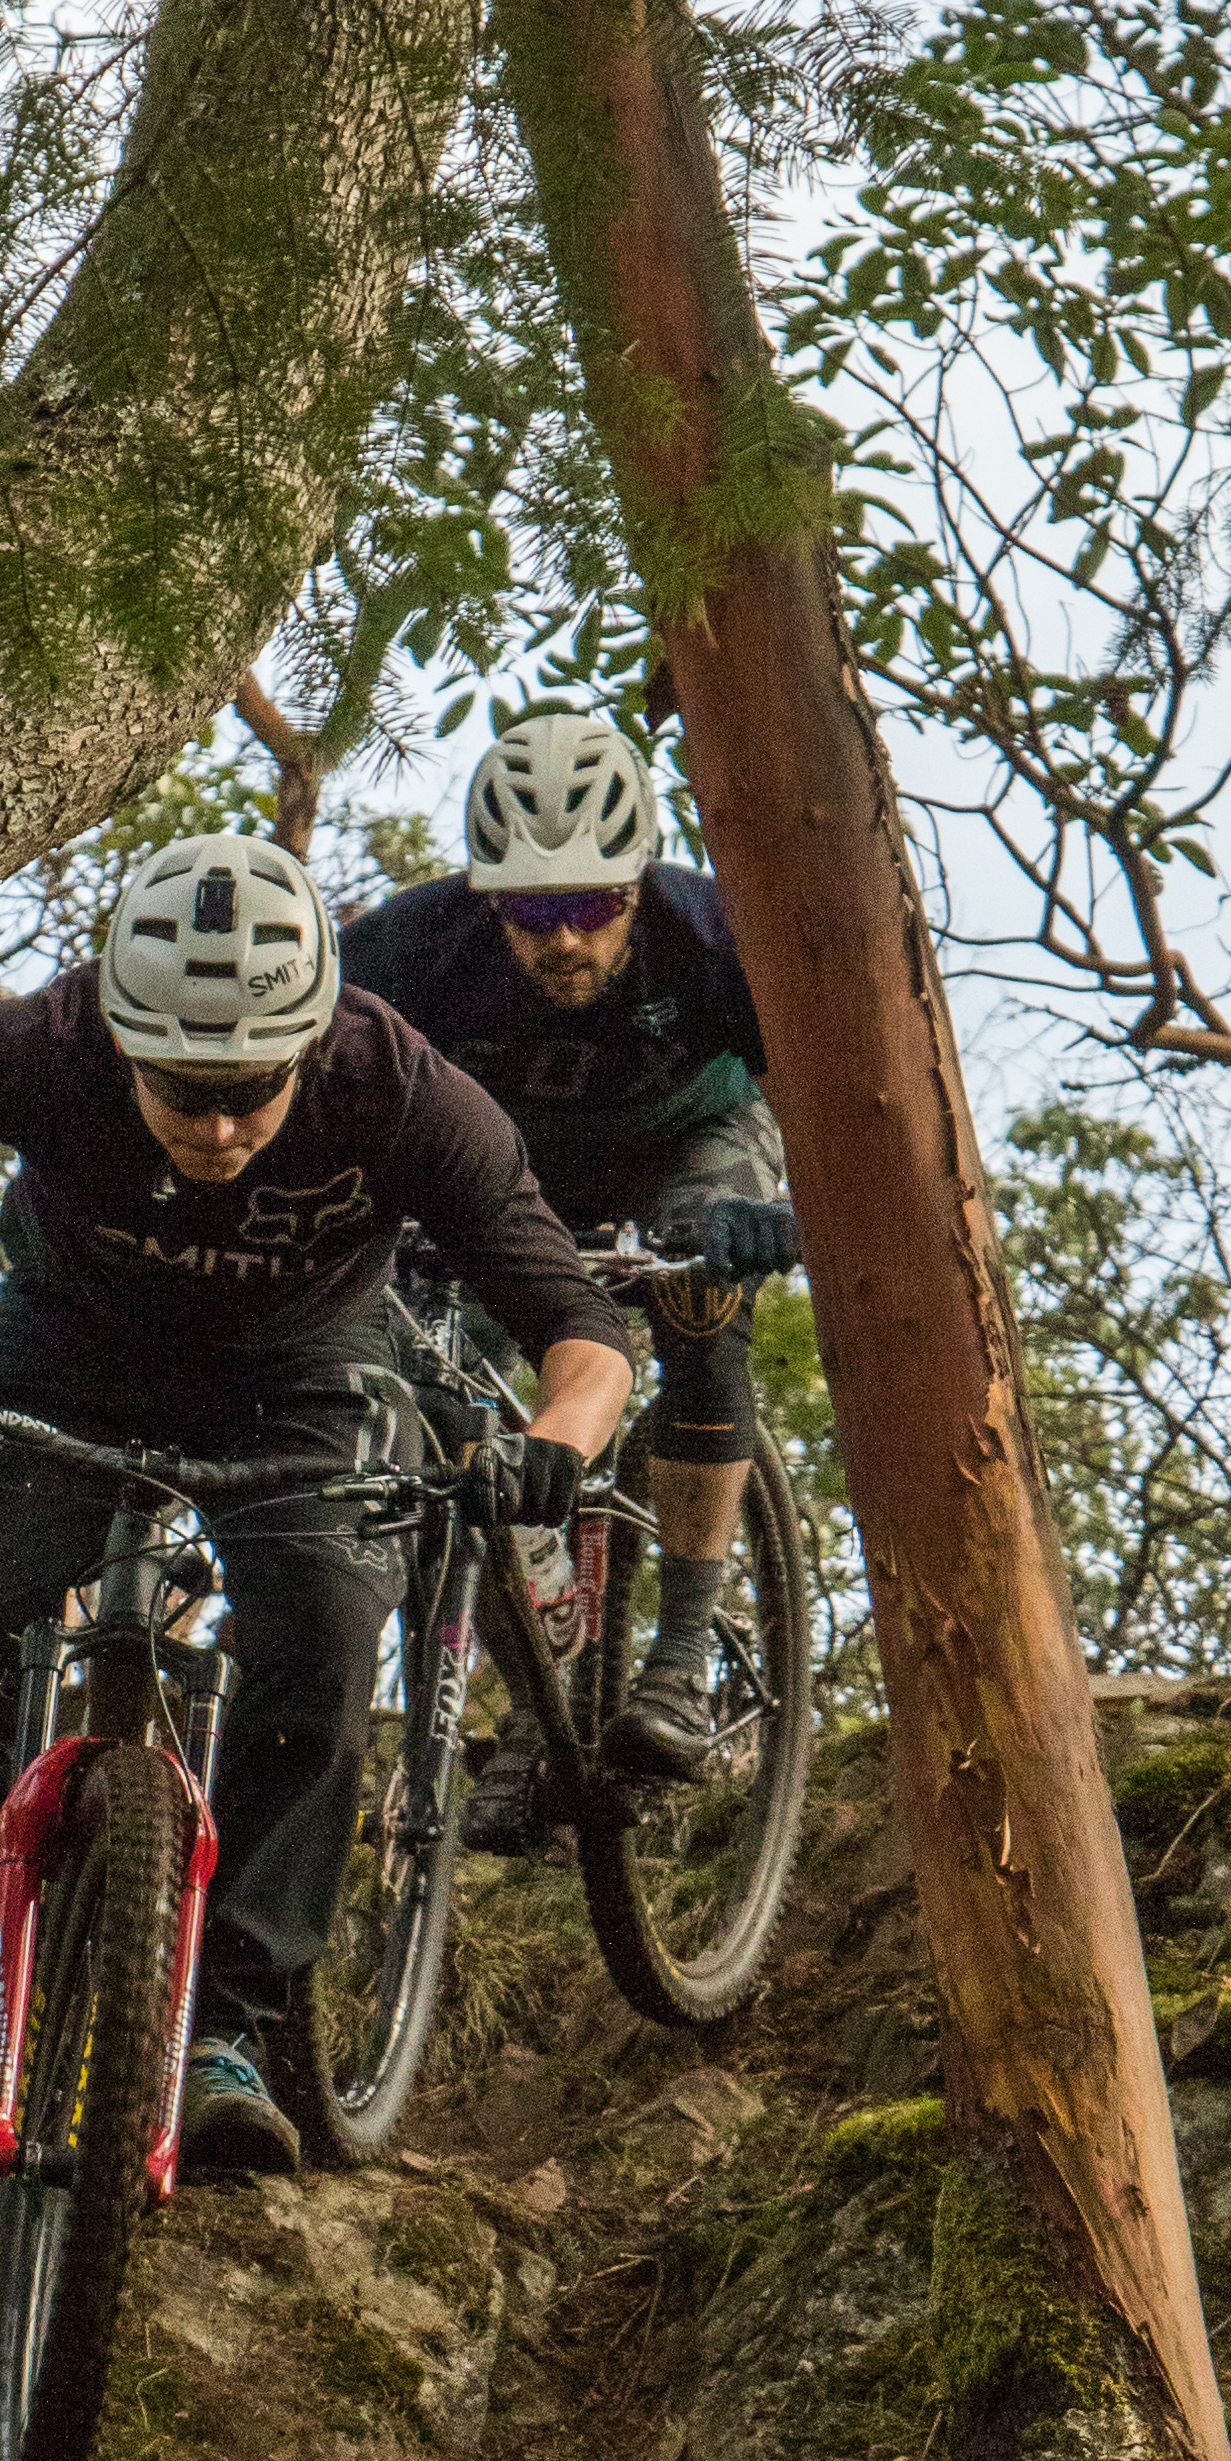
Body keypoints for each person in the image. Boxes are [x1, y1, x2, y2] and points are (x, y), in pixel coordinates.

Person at [0, 828, 633, 2225]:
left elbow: (581, 1330)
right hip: (63, 1356)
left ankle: (232, 2033)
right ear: (121, 1039)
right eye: (183, 1093)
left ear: (308, 1045)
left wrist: (554, 1448)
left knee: (323, 1641)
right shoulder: (41, 1045)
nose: (216, 1130)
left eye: (250, 1093)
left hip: (305, 1379)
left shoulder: (400, 1089)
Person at [339, 706, 800, 1812]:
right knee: (436, 1392)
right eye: (531, 911)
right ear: (487, 897)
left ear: (637, 885)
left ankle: (682, 1654)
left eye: (592, 906)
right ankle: (540, 1693)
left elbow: (831, 1099)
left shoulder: (715, 937)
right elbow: (320, 1103)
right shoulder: (407, 951)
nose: (564, 941)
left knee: (701, 1304)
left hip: (687, 1147)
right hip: (503, 1173)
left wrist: (784, 1216)